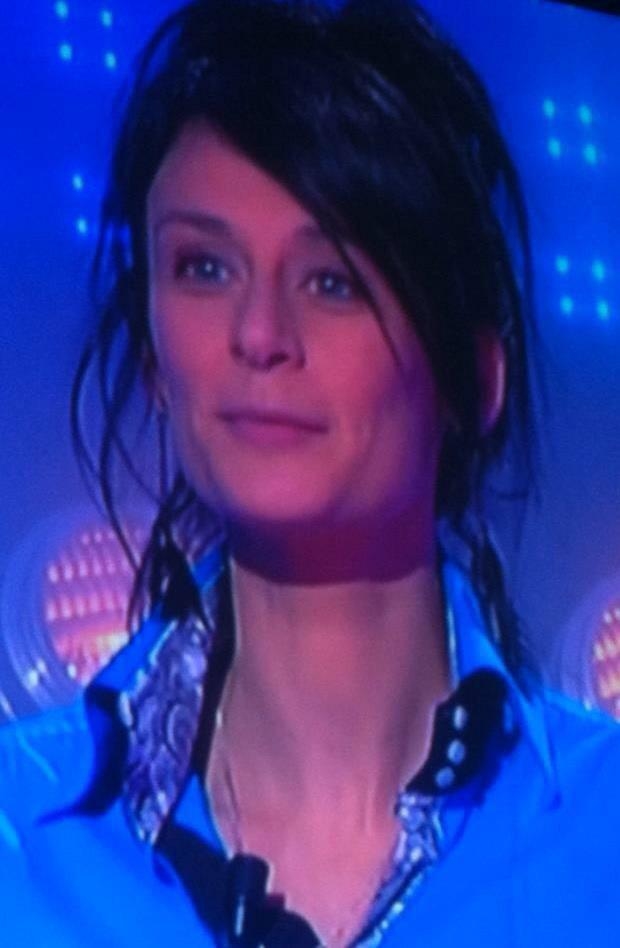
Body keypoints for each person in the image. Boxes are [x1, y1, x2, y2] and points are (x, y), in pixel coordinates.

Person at [1, 1, 619, 945]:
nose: (258, 335)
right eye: (204, 268)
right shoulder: (18, 839)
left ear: (475, 377)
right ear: (155, 358)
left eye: (333, 281)